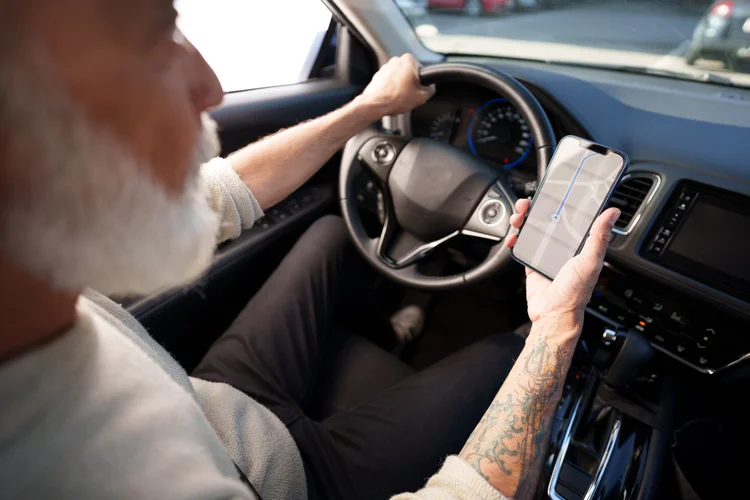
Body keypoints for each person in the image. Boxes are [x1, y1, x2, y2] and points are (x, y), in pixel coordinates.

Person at [0, 0, 620, 499]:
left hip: (219, 405)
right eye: (148, 45)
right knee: (505, 355)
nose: (211, 86)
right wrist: (556, 327)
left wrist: (369, 107)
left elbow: (221, 193)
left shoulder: (35, 254)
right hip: (300, 479)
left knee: (328, 236)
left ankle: (400, 335)